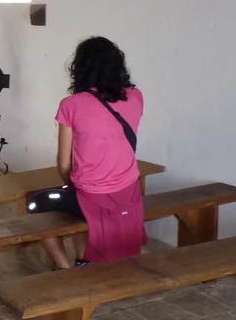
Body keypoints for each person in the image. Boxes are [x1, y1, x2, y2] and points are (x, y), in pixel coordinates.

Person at [28, 36, 147, 269]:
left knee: (35, 204)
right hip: (128, 191)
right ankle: (83, 259)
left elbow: (64, 163)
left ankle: (65, 268)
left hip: (90, 193)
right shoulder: (136, 97)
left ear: (80, 69)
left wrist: (73, 182)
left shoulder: (71, 105)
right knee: (78, 206)